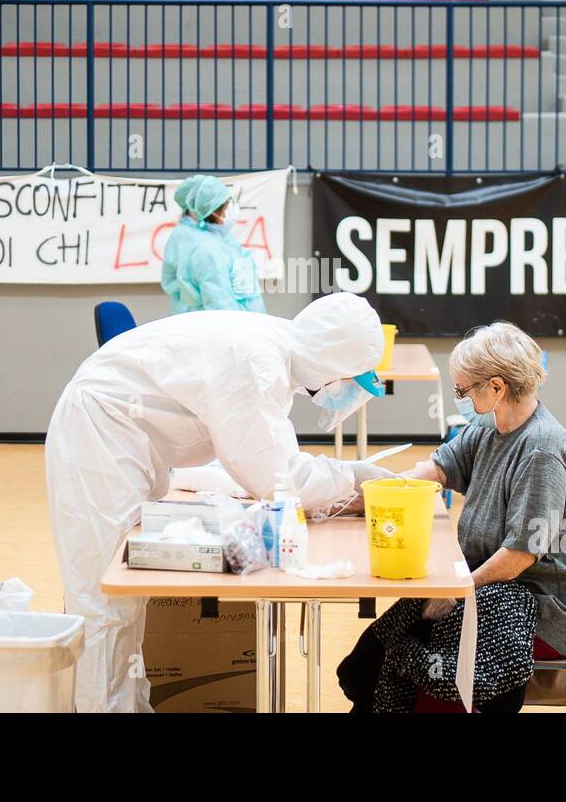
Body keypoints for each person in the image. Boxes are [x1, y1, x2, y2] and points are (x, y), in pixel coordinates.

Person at [45, 292, 393, 712]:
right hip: (99, 436)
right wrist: (352, 477)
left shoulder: (273, 352)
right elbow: (278, 478)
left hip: (121, 443)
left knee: (125, 606)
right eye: (352, 380)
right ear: (334, 365)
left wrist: (341, 481)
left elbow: (253, 457)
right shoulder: (256, 364)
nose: (347, 394)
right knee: (105, 600)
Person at [338, 321, 566, 712]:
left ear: (496, 387)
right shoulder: (490, 427)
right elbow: (437, 469)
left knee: (426, 656)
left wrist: (458, 589)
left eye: (462, 390)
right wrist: (369, 495)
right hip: (493, 586)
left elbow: (518, 557)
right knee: (372, 656)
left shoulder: (540, 451)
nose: (458, 397)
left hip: (544, 607)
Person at [161, 174, 266, 314]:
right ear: (212, 210)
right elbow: (220, 304)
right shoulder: (204, 247)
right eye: (225, 204)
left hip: (245, 322)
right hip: (228, 326)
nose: (231, 207)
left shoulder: (219, 237)